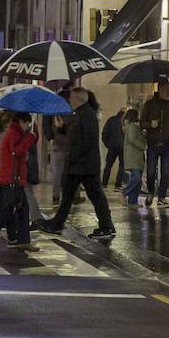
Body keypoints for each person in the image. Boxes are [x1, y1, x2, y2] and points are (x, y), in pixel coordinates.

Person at [40, 86, 116, 241]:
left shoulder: (87, 114)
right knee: (68, 195)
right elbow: (75, 134)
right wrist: (63, 129)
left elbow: (88, 140)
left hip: (84, 166)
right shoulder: (80, 114)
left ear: (77, 99)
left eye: (71, 98)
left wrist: (73, 156)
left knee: (95, 195)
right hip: (78, 165)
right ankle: (56, 223)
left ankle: (106, 226)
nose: (69, 101)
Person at [0, 112, 39, 252]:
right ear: (21, 121)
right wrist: (30, 138)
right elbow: (16, 151)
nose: (27, 127)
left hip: (15, 178)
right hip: (10, 178)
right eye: (27, 124)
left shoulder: (14, 133)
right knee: (7, 211)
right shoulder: (13, 133)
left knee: (23, 210)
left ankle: (23, 240)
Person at [140, 78, 169, 207]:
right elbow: (141, 122)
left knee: (165, 172)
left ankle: (162, 197)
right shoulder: (150, 104)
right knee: (151, 171)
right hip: (153, 143)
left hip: (167, 144)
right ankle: (151, 192)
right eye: (165, 89)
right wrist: (150, 124)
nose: (168, 92)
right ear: (159, 89)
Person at [121, 108, 145, 207]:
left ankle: (132, 201)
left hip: (136, 156)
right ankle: (124, 192)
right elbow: (132, 139)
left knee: (138, 181)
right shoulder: (131, 127)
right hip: (133, 156)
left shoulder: (132, 127)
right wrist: (142, 146)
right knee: (136, 177)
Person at [101, 107, 125, 190]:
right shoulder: (125, 122)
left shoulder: (111, 120)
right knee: (122, 166)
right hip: (123, 147)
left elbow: (104, 133)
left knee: (108, 165)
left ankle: (104, 184)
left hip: (112, 147)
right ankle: (118, 185)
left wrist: (108, 144)